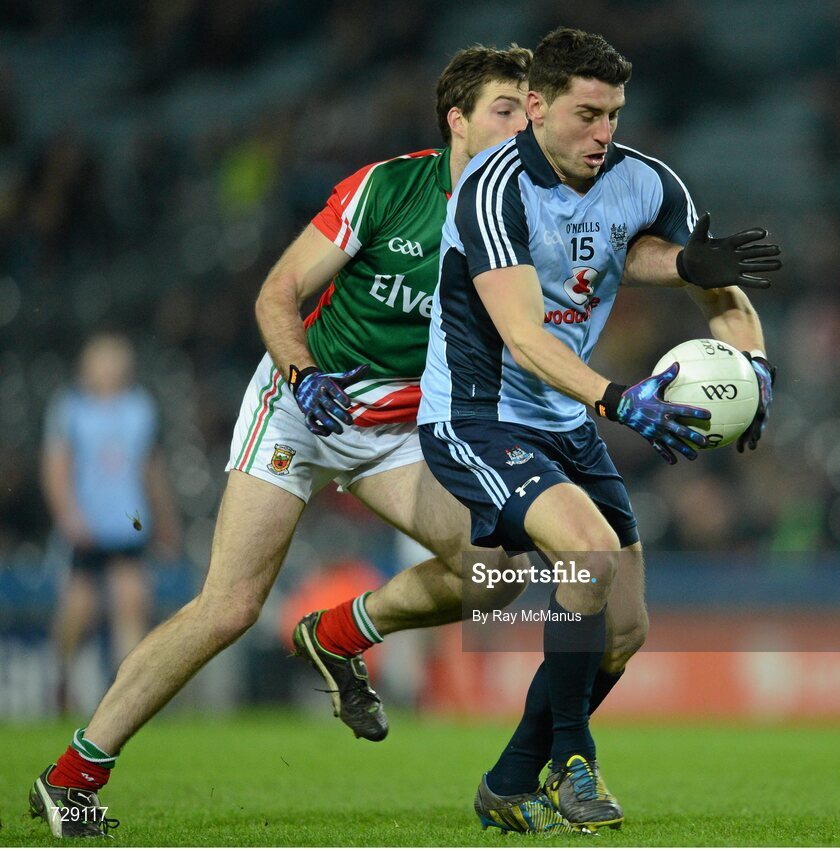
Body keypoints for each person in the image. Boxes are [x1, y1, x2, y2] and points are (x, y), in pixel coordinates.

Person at [29, 45, 560, 839]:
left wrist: (684, 261)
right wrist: (303, 371)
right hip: (301, 410)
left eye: (531, 112)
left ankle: (341, 632)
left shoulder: (527, 217)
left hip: (397, 435)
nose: (524, 126)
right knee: (229, 607)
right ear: (458, 119)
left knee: (500, 572)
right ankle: (71, 777)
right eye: (506, 110)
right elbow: (279, 291)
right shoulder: (388, 187)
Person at [416, 27, 781, 832]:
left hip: (563, 417)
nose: (603, 133)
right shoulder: (492, 188)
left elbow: (712, 285)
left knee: (624, 630)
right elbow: (524, 334)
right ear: (537, 108)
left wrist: (755, 369)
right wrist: (620, 400)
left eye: (614, 114)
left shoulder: (644, 182)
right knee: (586, 551)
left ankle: (509, 777)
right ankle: (574, 768)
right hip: (478, 415)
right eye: (587, 114)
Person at [41, 333, 180, 713]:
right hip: (86, 523)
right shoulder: (70, 408)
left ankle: (127, 696)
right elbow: (56, 466)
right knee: (78, 610)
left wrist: (164, 519)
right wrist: (68, 515)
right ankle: (61, 679)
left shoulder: (140, 407)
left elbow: (151, 467)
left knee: (132, 602)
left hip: (128, 520)